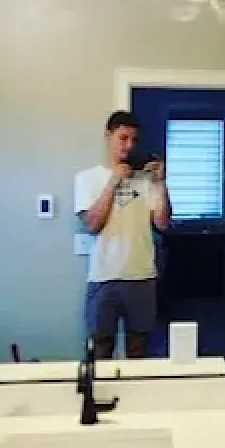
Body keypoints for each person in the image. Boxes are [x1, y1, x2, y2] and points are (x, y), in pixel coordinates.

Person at [74, 111, 172, 360]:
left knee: (138, 353)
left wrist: (161, 183)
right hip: (103, 277)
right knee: (100, 351)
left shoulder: (147, 181)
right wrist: (113, 182)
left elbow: (162, 223)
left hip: (142, 277)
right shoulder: (86, 178)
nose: (129, 146)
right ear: (108, 136)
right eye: (123, 138)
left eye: (134, 140)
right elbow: (93, 224)